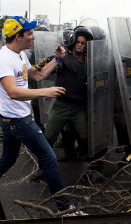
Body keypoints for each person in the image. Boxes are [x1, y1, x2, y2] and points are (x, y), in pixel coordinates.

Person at [0, 16, 86, 215]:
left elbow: (37, 75)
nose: (33, 37)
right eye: (29, 34)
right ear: (18, 36)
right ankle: (65, 209)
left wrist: (57, 59)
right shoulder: (3, 59)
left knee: (8, 159)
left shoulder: (19, 54)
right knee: (48, 157)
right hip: (18, 121)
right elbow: (13, 92)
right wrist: (45, 92)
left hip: (12, 120)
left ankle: (65, 208)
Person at [44, 26, 94, 159]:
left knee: (85, 136)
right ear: (73, 42)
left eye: (83, 43)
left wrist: (93, 83)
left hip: (79, 107)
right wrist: (44, 63)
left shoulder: (90, 63)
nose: (80, 45)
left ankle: (82, 157)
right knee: (48, 137)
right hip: (61, 106)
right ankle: (44, 168)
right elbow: (52, 67)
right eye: (78, 42)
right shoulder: (63, 58)